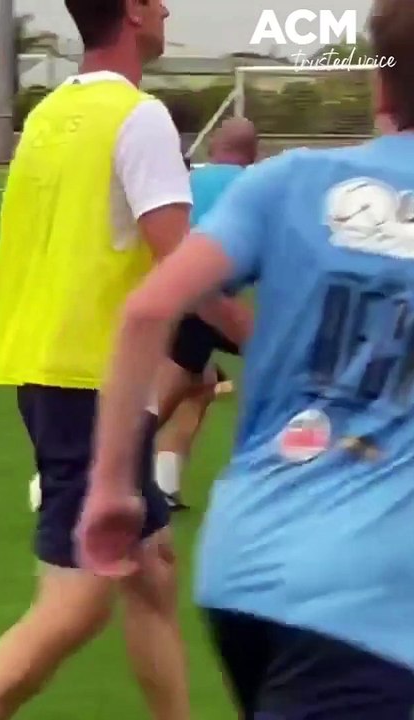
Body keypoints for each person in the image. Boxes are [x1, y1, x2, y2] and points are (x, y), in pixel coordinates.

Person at [77, 1, 414, 716]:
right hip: (372, 598)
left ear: (382, 90)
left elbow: (145, 310)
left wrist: (111, 490)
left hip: (246, 565)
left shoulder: (287, 182)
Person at [0, 1, 249, 717]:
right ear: (136, 12)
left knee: (152, 570)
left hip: (48, 364)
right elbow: (183, 264)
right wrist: (267, 336)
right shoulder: (137, 117)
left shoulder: (47, 115)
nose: (169, 7)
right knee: (76, 603)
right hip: (92, 380)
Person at [154, 117, 258, 510]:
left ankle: (163, 483)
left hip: (178, 295)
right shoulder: (255, 185)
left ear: (214, 146)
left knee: (198, 384)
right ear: (254, 152)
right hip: (213, 303)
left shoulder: (187, 183)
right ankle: (85, 472)